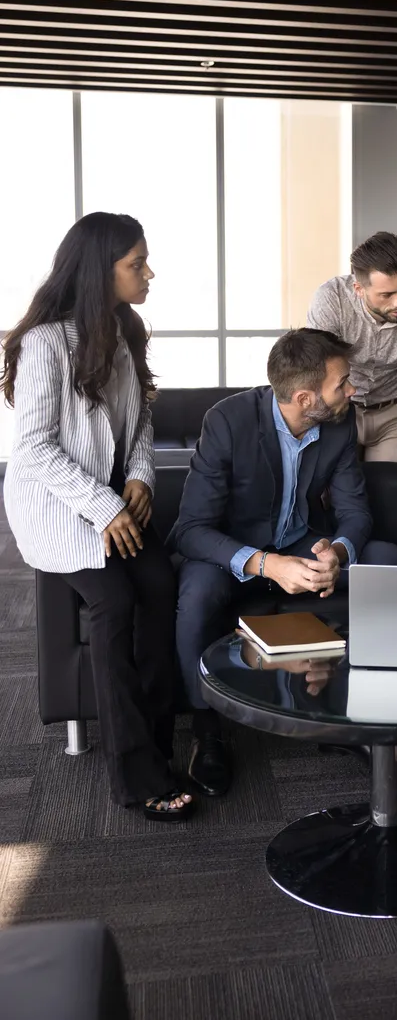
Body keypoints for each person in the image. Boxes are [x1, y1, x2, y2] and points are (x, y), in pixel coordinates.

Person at [1, 213, 191, 822]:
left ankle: (161, 746)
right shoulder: (45, 342)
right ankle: (135, 777)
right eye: (136, 263)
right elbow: (31, 449)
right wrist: (105, 504)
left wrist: (139, 476)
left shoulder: (127, 329)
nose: (149, 272)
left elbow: (141, 422)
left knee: (162, 584)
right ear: (99, 271)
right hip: (58, 504)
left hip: (113, 493)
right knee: (113, 604)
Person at [173, 327, 397, 796]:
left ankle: (361, 715)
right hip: (230, 554)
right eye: (342, 384)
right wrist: (266, 564)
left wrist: (337, 552)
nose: (352, 390)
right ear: (304, 398)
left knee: (389, 562)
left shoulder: (339, 423)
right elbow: (190, 530)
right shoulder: (228, 421)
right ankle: (207, 729)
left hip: (303, 546)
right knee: (197, 597)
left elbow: (354, 511)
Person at [307, 231, 397, 510]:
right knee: (326, 494)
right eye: (387, 294)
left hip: (396, 412)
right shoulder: (331, 300)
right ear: (358, 289)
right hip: (340, 410)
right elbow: (318, 377)